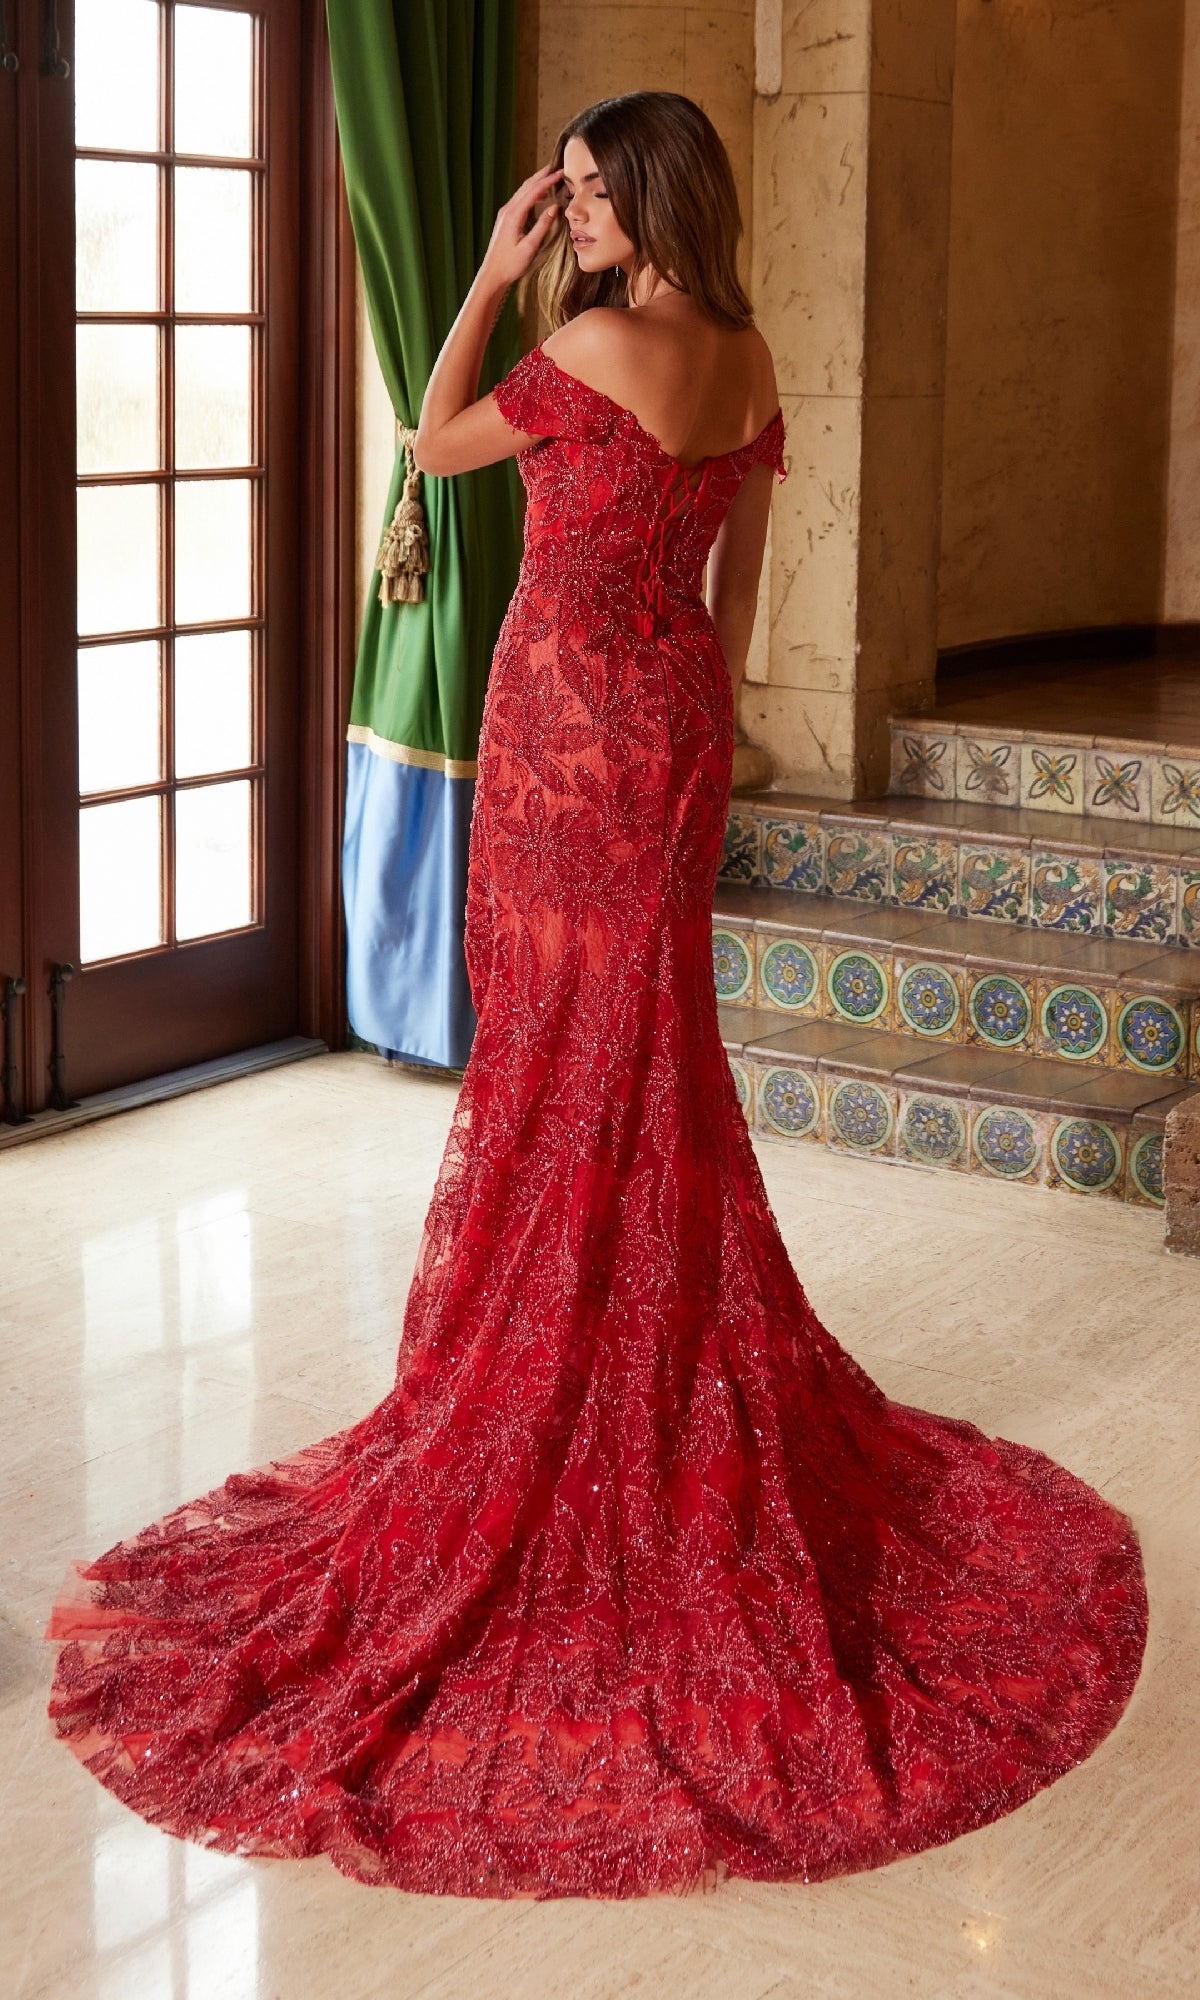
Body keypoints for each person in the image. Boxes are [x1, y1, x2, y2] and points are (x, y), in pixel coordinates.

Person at [46, 92, 1146, 1902]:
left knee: (560, 1057)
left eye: (581, 193)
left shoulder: (582, 346)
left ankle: (557, 1365)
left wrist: (485, 277)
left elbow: (434, 443)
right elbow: (740, 593)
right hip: (676, 721)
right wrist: (702, 718)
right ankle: (639, 1331)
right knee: (646, 1056)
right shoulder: (747, 354)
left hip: (563, 725)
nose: (563, 214)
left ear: (645, 196)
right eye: (550, 198)